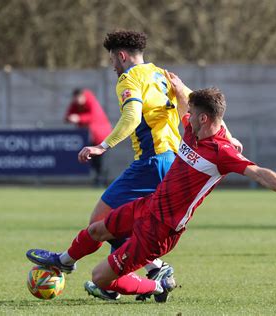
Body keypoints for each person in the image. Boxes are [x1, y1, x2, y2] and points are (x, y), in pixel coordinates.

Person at [26, 74, 276, 303]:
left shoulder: (222, 152)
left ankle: (157, 284)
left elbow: (258, 172)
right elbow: (185, 102)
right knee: (96, 230)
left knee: (100, 277)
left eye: (192, 111)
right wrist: (178, 87)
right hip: (148, 206)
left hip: (162, 230)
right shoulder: (192, 130)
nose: (186, 113)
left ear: (205, 118)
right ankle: (64, 263)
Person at [74, 30, 242, 301]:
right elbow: (205, 108)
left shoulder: (129, 78)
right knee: (129, 222)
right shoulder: (163, 74)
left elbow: (131, 116)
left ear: (122, 55)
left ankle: (153, 270)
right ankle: (139, 273)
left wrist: (102, 146)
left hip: (153, 160)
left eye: (112, 60)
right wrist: (228, 135)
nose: (112, 66)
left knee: (99, 223)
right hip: (172, 159)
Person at [65, 88, 112, 186]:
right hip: (89, 137)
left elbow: (93, 117)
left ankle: (100, 179)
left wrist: (79, 118)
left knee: (98, 159)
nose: (77, 101)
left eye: (79, 98)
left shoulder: (91, 101)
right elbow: (67, 116)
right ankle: (98, 178)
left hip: (101, 136)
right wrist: (71, 118)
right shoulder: (76, 104)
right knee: (93, 160)